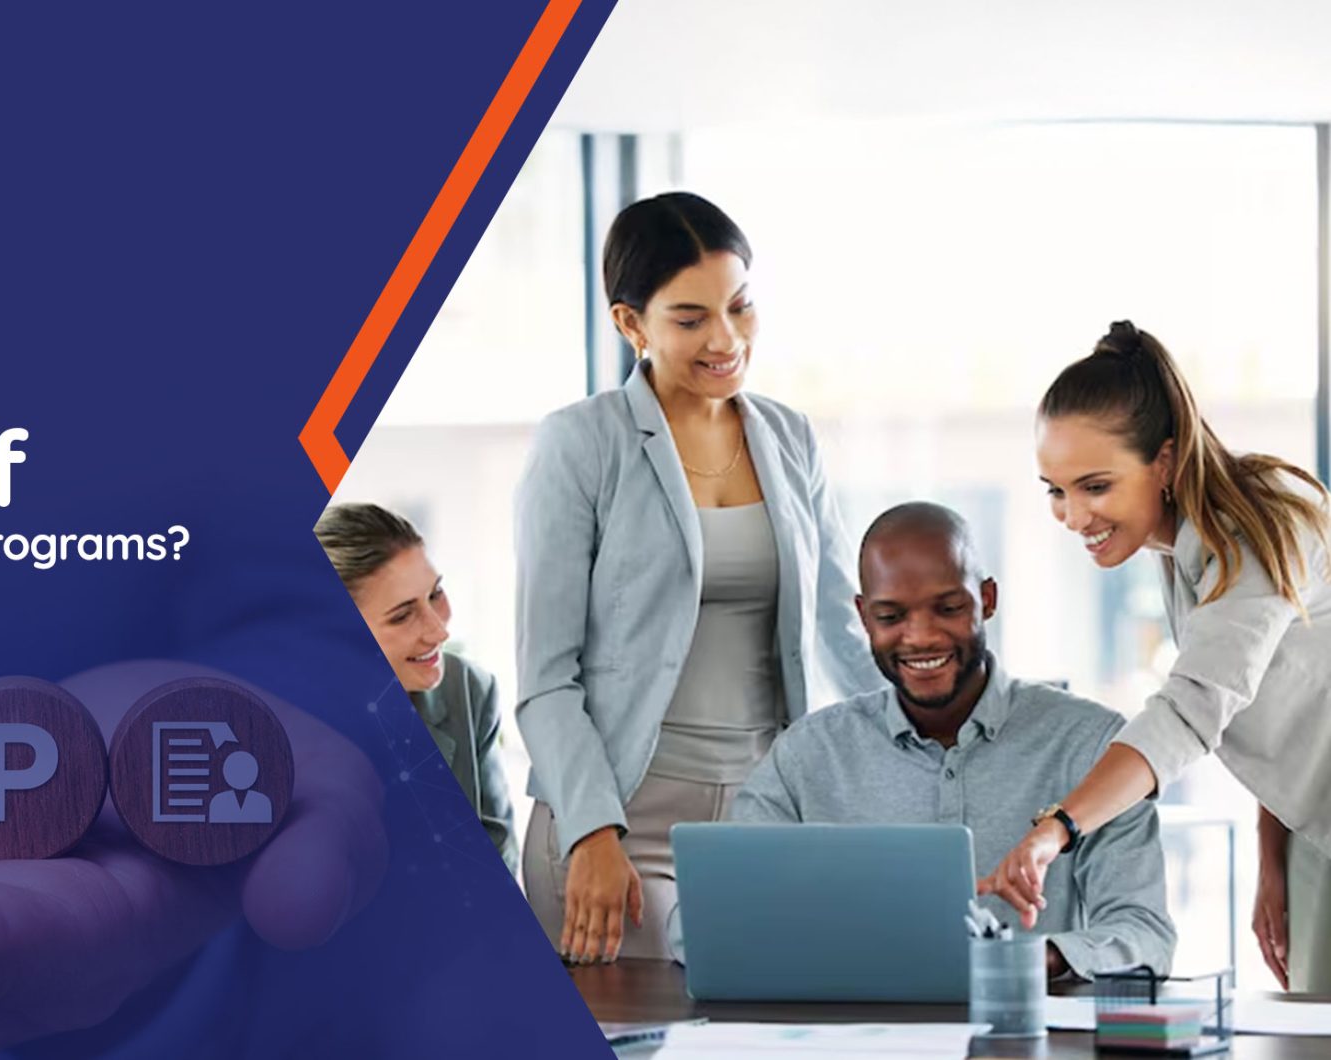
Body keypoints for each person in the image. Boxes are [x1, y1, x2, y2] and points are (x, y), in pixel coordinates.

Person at [514, 192, 882, 965]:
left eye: (740, 307)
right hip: (620, 824)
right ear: (631, 324)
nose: (726, 339)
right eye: (690, 319)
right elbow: (546, 677)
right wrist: (591, 829)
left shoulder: (789, 436)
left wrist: (934, 749)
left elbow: (843, 630)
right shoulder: (581, 444)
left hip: (763, 818)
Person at [984, 321, 1331, 993]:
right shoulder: (1177, 546)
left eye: (1095, 486)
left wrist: (1057, 828)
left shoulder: (1262, 525)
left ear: (1165, 463)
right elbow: (1261, 696)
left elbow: (1191, 710)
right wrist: (1274, 859)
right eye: (1055, 490)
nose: (1073, 516)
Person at [730, 502, 1175, 979]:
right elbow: (712, 918)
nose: (920, 637)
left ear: (987, 599)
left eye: (948, 609)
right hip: (852, 1021)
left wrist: (1023, 961)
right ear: (863, 617)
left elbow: (1145, 935)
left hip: (1022, 1021)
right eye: (891, 615)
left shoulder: (1093, 746)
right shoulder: (808, 754)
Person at [314, 502, 518, 872]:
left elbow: (495, 857)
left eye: (435, 593)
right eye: (403, 615)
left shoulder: (468, 691)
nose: (440, 630)